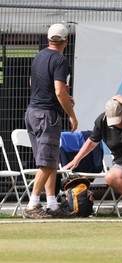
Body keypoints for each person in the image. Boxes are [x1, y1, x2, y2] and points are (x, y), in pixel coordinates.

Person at [23, 23, 78, 219]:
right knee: (47, 163)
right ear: (66, 41)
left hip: (32, 112)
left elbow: (33, 82)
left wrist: (57, 95)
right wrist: (71, 115)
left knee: (50, 161)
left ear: (48, 39)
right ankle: (33, 205)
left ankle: (53, 205)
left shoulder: (39, 56)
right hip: (47, 115)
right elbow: (59, 91)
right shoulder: (60, 60)